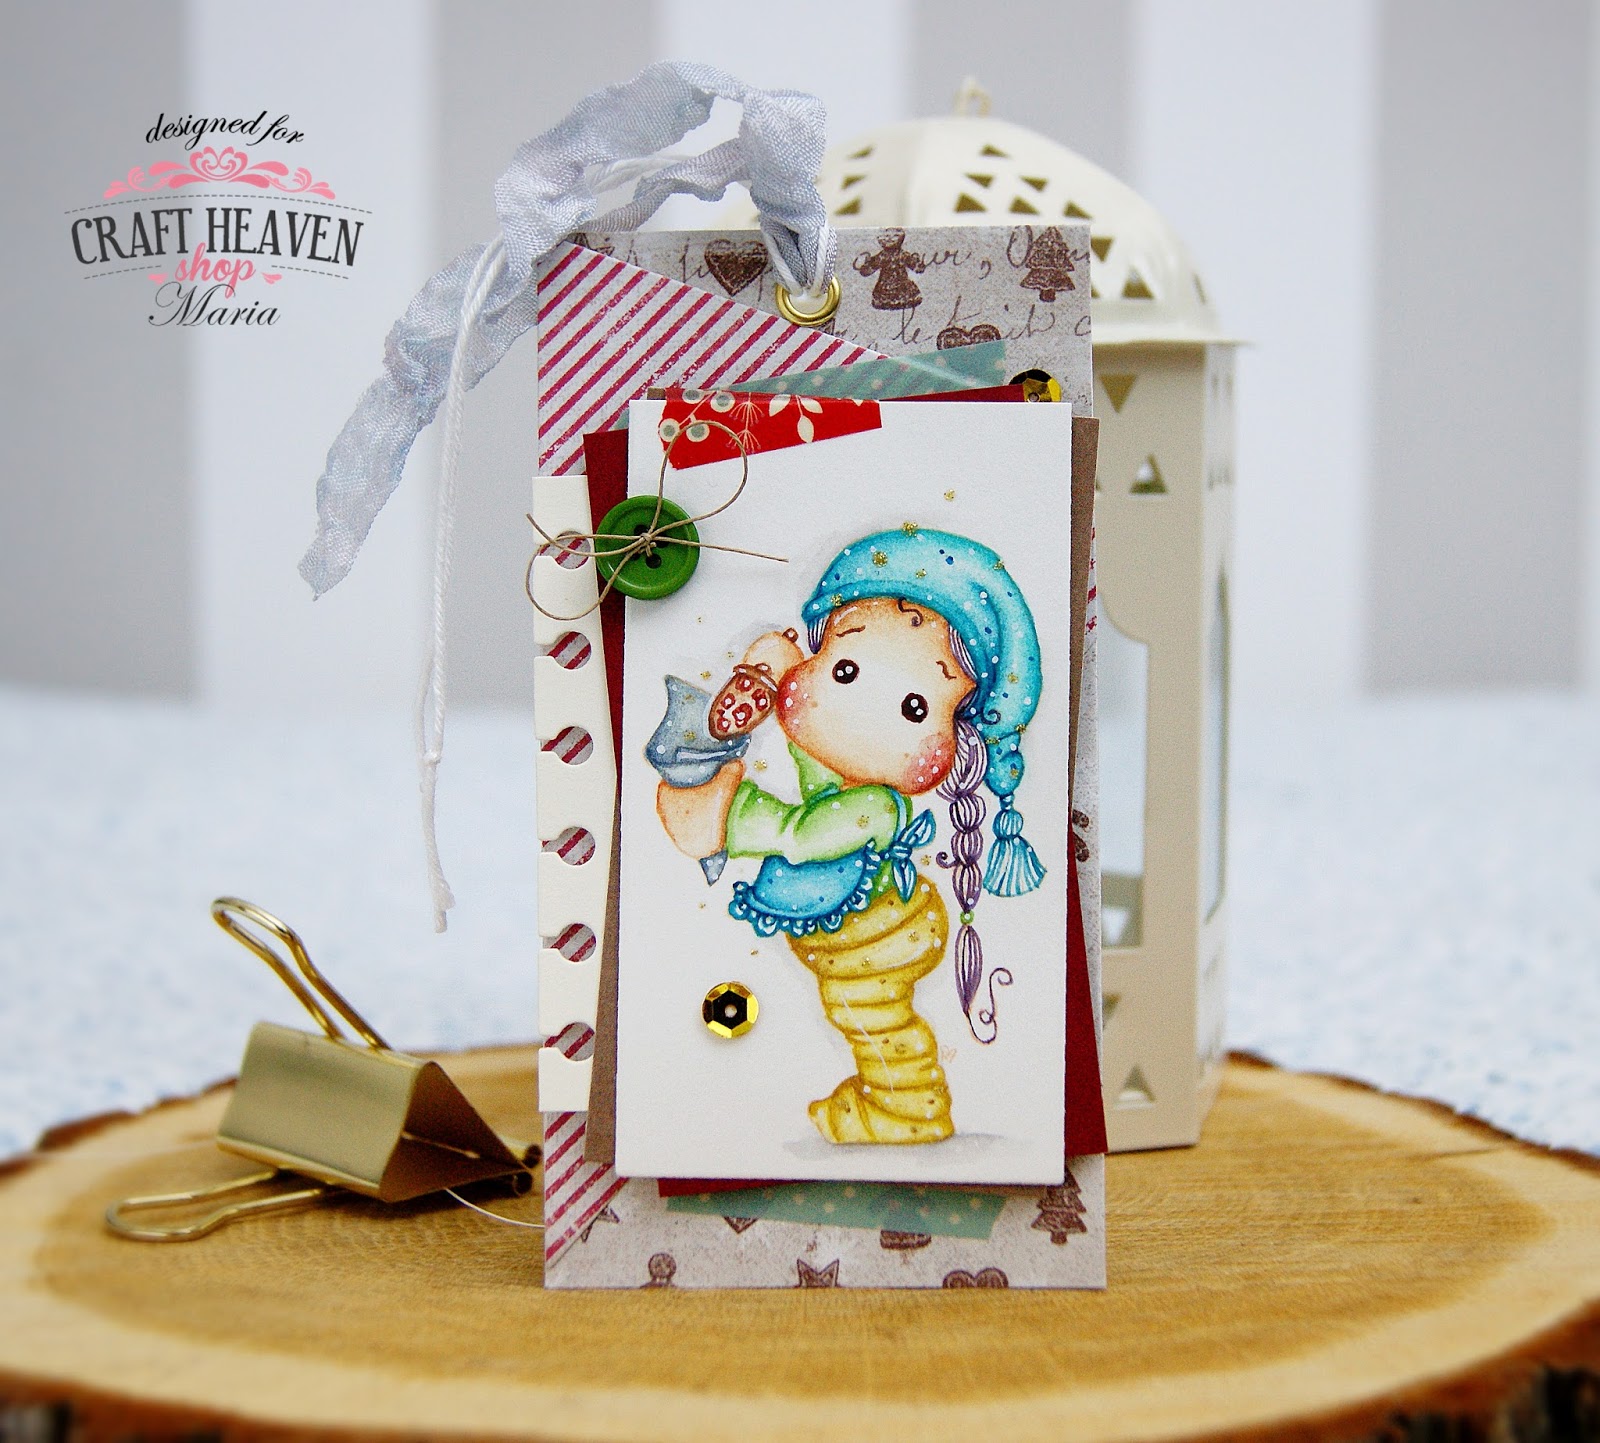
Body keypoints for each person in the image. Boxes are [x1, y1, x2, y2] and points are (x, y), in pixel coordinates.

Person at [654, 527, 1045, 1144]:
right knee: (853, 1016)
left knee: (869, 1017)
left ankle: (910, 1113)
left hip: (880, 934)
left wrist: (733, 815)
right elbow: (802, 748)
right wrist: (764, 679)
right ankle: (884, 1098)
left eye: (915, 708)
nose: (854, 709)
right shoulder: (831, 766)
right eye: (843, 669)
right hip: (851, 932)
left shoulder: (875, 806)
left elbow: (802, 834)